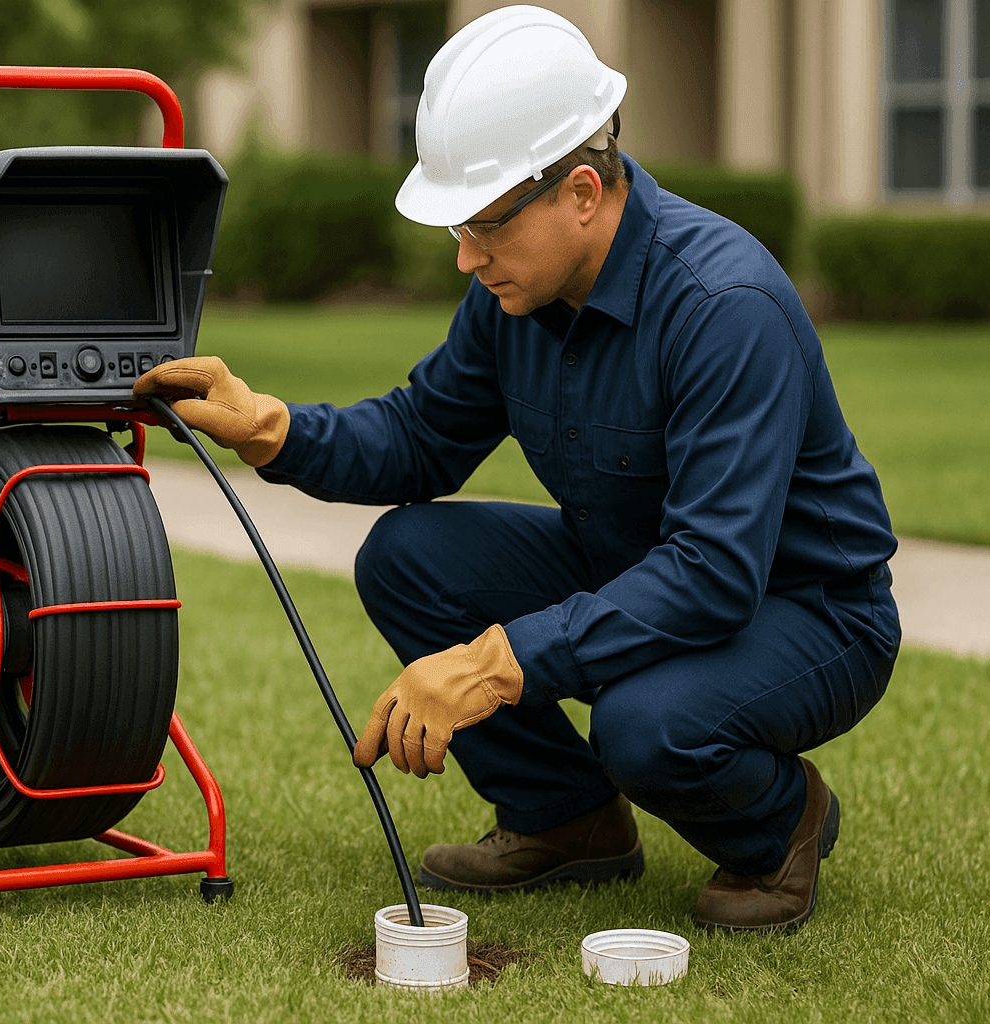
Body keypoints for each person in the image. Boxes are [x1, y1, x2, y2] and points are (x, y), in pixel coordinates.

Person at [134, 4, 900, 933]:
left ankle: (783, 823)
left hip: (807, 608)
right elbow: (422, 435)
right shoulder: (512, 293)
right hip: (638, 564)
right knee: (408, 555)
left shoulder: (722, 306)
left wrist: (497, 667)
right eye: (458, 227)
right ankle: (568, 821)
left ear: (581, 192)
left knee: (643, 725)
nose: (466, 255)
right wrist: (272, 428)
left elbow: (714, 574)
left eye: (485, 225)